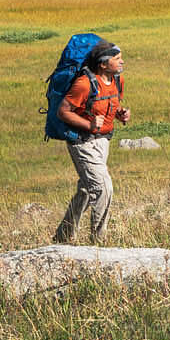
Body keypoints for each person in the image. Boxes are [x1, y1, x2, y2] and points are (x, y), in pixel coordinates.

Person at [52, 40, 130, 243]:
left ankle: (63, 236)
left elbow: (109, 103)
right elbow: (63, 111)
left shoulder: (116, 80)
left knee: (87, 190)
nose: (122, 62)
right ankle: (99, 242)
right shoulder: (84, 84)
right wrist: (89, 125)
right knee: (103, 188)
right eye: (117, 59)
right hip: (82, 142)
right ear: (103, 64)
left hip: (103, 142)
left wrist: (120, 114)